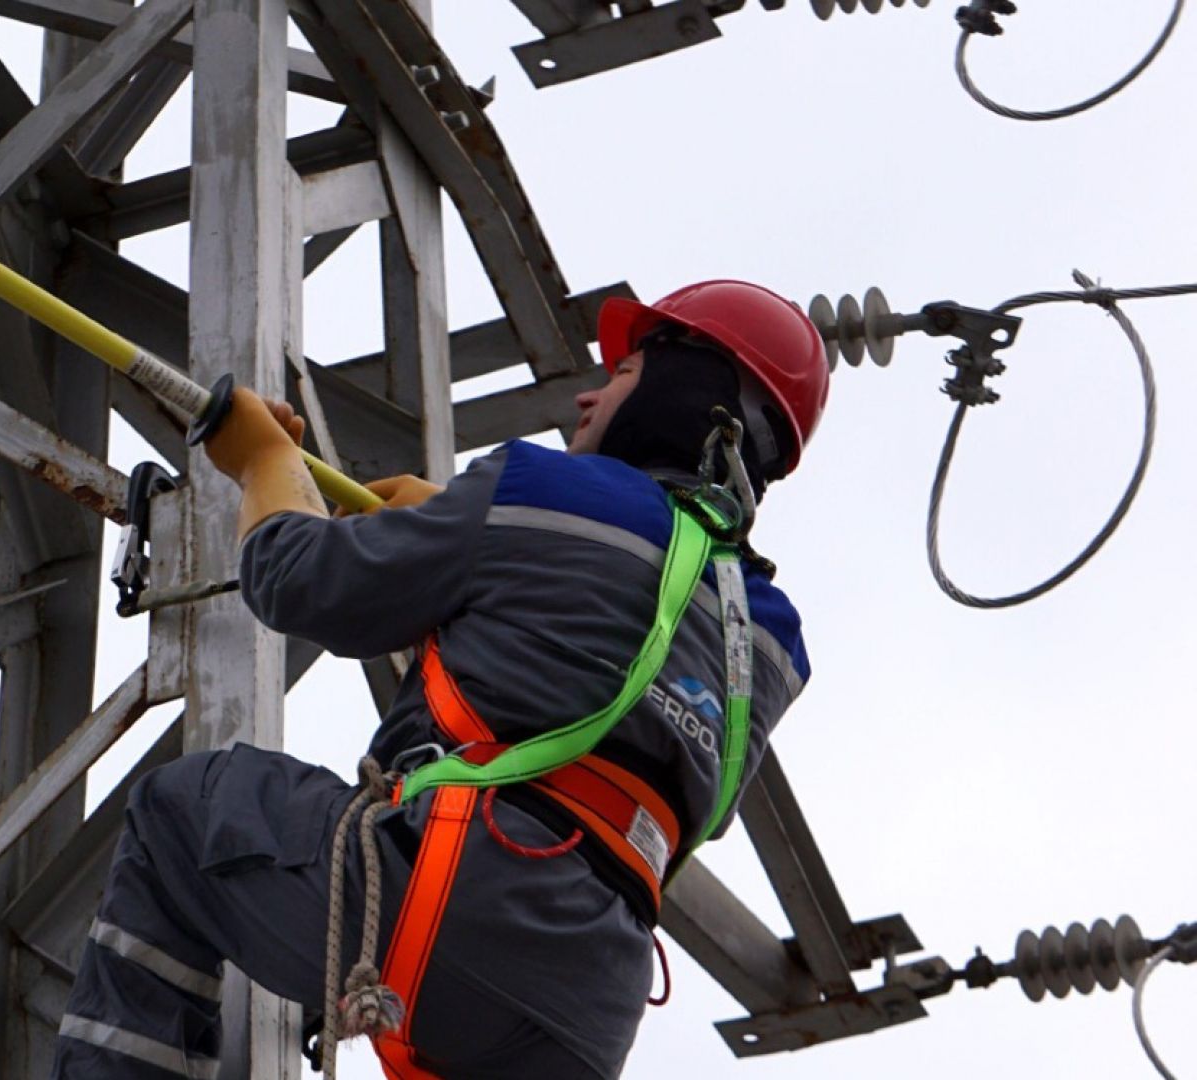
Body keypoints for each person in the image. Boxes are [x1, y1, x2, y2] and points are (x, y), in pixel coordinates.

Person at [50, 281, 830, 1079]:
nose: (589, 395)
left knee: (180, 818)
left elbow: (299, 581)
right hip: (588, 1011)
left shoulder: (537, 490)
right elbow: (617, 711)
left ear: (684, 392)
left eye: (624, 373)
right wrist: (458, 538)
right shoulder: (772, 642)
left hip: (457, 895)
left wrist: (265, 462)